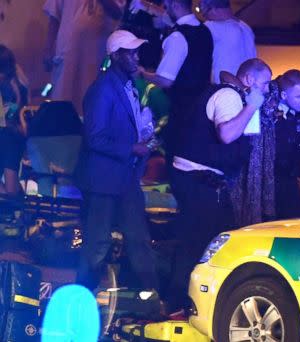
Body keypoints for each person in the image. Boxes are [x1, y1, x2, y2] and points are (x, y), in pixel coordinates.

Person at [168, 58, 271, 310]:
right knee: (200, 242)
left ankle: (186, 300)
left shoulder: (229, 93)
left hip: (199, 177)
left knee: (209, 238)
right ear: (249, 80)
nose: (267, 89)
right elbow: (227, 134)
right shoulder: (229, 96)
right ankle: (178, 302)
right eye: (265, 83)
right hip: (198, 179)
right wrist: (250, 107)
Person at [75, 30, 159, 291]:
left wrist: (143, 136)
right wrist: (132, 148)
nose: (136, 57)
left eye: (136, 52)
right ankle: (83, 296)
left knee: (139, 240)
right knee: (98, 243)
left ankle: (152, 297)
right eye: (130, 52)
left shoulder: (127, 86)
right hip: (103, 179)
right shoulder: (103, 88)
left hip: (124, 177)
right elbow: (94, 137)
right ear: (115, 56)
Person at [232, 69, 300, 224]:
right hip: (262, 182)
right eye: (299, 96)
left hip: (289, 182)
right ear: (284, 95)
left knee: (296, 225)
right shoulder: (264, 109)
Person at [140, 0, 213, 154]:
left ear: (175, 5)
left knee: (172, 157)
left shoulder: (177, 36)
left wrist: (141, 73)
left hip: (178, 111)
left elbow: (165, 80)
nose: (164, 12)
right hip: (200, 107)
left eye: (166, 7)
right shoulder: (205, 31)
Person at [43, 0, 125, 116]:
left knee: (89, 101)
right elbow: (54, 15)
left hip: (95, 55)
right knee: (62, 98)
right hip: (67, 51)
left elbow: (118, 12)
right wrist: (48, 48)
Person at [199, 0, 257, 84]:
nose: (204, 17)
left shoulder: (211, 27)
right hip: (247, 89)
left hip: (225, 89)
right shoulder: (246, 27)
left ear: (214, 9)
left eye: (204, 13)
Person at [0, 45, 28, 197]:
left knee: (10, 191)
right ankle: (19, 207)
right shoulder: (18, 80)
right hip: (14, 137)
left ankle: (16, 207)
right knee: (11, 189)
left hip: (8, 137)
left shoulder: (10, 84)